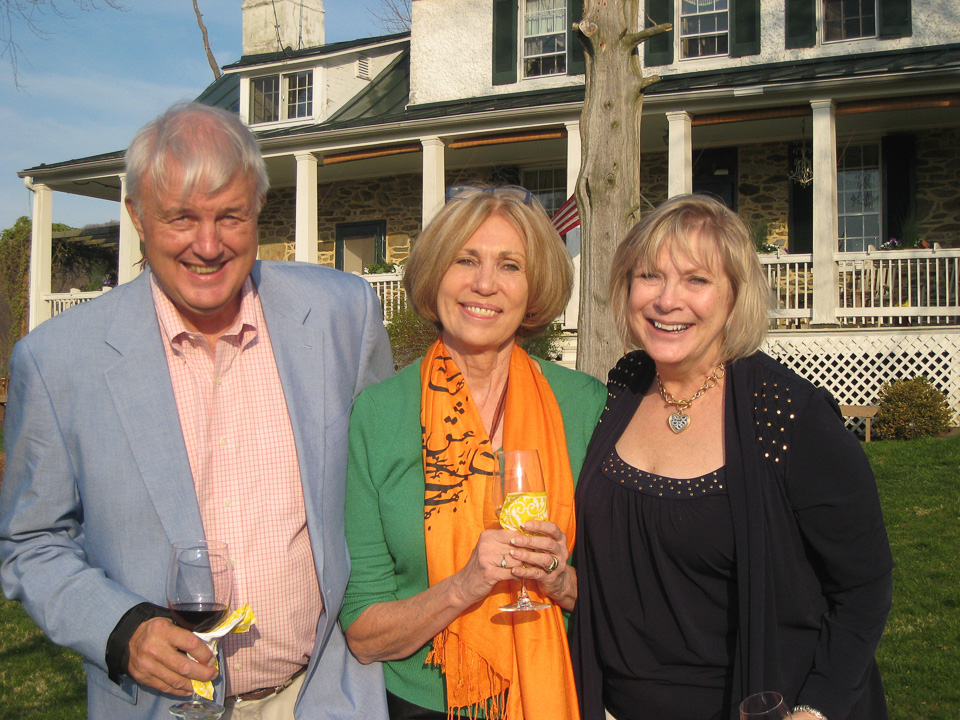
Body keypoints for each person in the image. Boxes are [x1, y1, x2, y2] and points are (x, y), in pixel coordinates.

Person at [0, 103, 394, 720]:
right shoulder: (57, 361)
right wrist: (120, 628)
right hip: (160, 706)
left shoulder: (343, 314)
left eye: (229, 216)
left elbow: (388, 485)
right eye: (180, 217)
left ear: (258, 208)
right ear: (137, 216)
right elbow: (30, 541)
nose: (207, 246)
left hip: (322, 696)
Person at [571, 194, 894, 720]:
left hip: (760, 703)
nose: (667, 300)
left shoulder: (788, 415)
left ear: (734, 295)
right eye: (650, 276)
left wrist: (817, 709)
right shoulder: (623, 387)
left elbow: (864, 585)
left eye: (696, 280)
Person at [340, 185, 607, 720]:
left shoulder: (585, 406)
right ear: (435, 273)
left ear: (534, 289)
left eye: (510, 265)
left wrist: (560, 581)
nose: (485, 283)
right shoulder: (380, 414)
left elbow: (627, 603)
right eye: (465, 260)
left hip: (558, 689)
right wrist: (464, 585)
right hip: (422, 706)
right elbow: (365, 635)